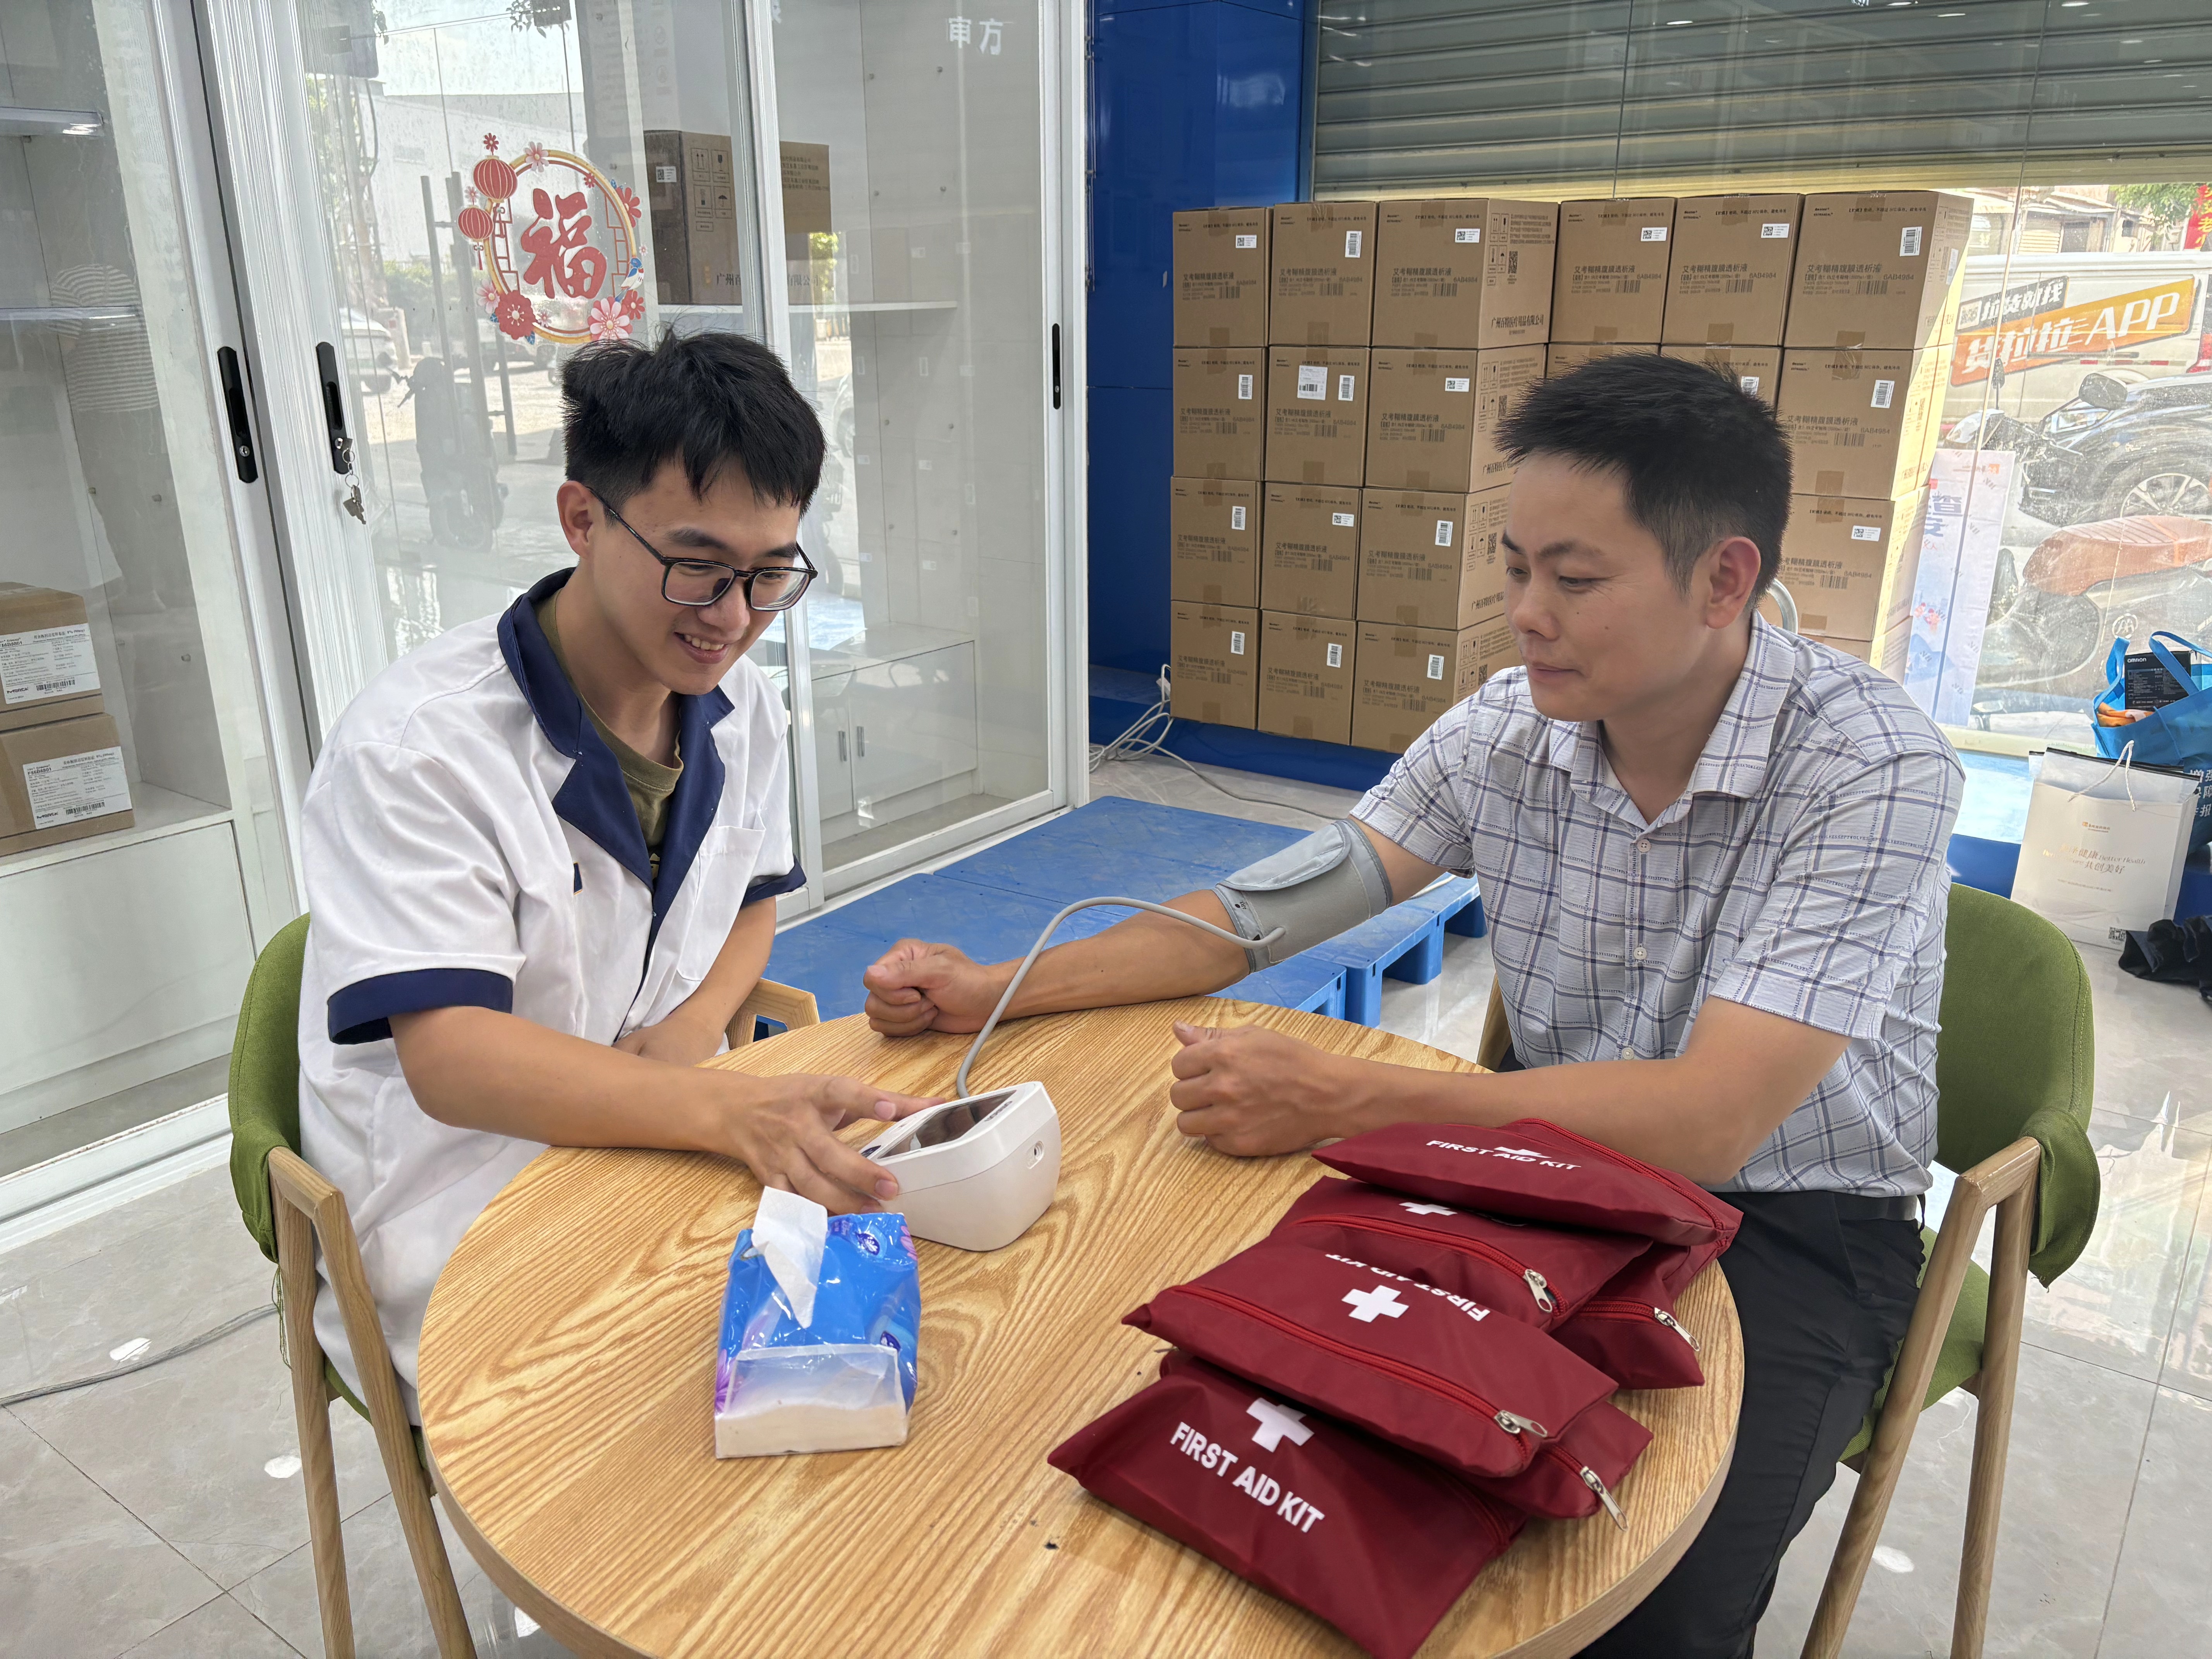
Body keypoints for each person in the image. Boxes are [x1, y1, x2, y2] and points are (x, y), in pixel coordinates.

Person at [862, 353, 1961, 1656]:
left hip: (1791, 1223)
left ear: (1725, 579)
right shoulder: (1507, 730)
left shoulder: (1867, 765)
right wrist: (998, 986)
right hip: (1541, 1174)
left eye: (1575, 579)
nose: (1526, 616)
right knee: (1301, 1459)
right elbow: (1258, 915)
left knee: (1644, 1597)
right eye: (1515, 568)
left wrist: (1351, 1098)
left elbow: (1716, 1119)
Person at [297, 331, 931, 1417]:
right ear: (583, 519)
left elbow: (751, 902)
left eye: (769, 573)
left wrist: (691, 1034)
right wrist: (716, 1106)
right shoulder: (419, 747)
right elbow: (452, 1059)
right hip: (469, 1191)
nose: (732, 616)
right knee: (652, 1433)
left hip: (657, 1134)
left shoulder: (740, 703)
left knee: (861, 1352)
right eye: (697, 565)